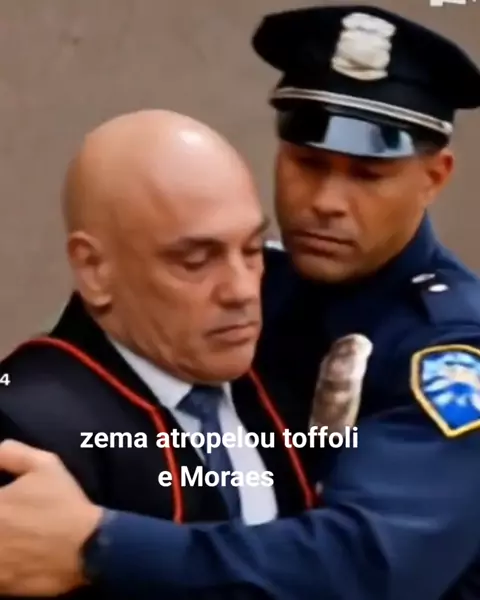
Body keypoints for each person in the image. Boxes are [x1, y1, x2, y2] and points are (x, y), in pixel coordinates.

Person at [1, 3, 480, 599]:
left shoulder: (451, 350)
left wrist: (99, 545)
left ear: (435, 177)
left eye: (367, 175)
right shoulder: (263, 280)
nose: (326, 202)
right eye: (308, 163)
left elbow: (369, 564)